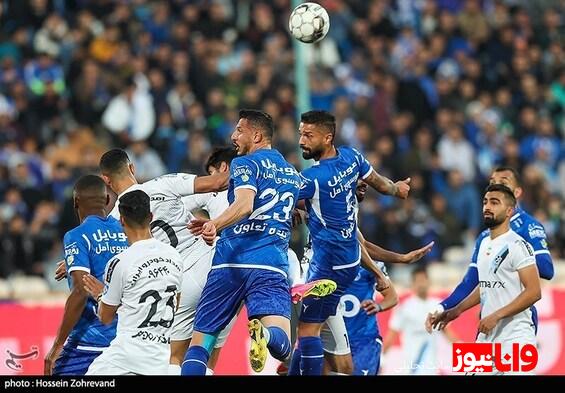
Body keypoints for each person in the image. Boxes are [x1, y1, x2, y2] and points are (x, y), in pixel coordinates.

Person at [183, 109, 324, 375]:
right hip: (270, 264)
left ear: (256, 135)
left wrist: (215, 223)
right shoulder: (291, 173)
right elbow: (311, 205)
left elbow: (245, 203)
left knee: (200, 344)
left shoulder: (244, 163)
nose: (233, 136)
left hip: (230, 262)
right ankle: (266, 337)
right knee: (281, 343)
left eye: (239, 130)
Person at [289, 110, 410, 375]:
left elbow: (279, 201)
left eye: (308, 135)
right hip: (350, 262)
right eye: (301, 134)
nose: (302, 141)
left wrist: (292, 211)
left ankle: (287, 357)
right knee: (343, 365)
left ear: (327, 137)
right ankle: (293, 365)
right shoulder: (352, 158)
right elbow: (381, 184)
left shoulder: (312, 178)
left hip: (323, 266)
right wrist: (397, 189)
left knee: (307, 330)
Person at [98, 148, 229, 374]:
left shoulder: (114, 221)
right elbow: (218, 183)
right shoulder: (163, 183)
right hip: (214, 265)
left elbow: (109, 263)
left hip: (177, 282)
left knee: (174, 358)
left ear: (106, 180)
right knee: (207, 350)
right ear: (132, 167)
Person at [428, 184, 542, 375]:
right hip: (487, 337)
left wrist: (496, 315)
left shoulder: (518, 245)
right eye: (485, 202)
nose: (487, 207)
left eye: (494, 202)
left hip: (516, 338)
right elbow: (486, 285)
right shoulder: (484, 243)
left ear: (509, 211)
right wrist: (457, 310)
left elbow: (534, 292)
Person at [426, 166, 553, 331]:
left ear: (517, 192)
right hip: (486, 322)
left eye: (503, 182)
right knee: (471, 357)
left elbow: (547, 270)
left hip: (517, 325)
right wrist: (444, 308)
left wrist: (515, 257)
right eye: (492, 182)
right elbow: (472, 281)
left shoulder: (527, 228)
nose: (495, 186)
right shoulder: (484, 238)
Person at [83, 190, 183, 375]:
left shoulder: (119, 262)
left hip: (126, 357)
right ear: (151, 216)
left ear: (122, 220)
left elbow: (105, 317)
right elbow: (175, 302)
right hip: (160, 359)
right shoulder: (175, 256)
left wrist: (100, 295)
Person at [44, 175, 128, 376]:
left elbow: (81, 291)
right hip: (125, 342)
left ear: (75, 202)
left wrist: (57, 346)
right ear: (107, 200)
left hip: (88, 343)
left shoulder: (77, 235)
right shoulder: (127, 231)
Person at [382, 266, 458, 375]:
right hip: (412, 368)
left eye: (423, 280)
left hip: (432, 368)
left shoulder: (438, 305)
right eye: (417, 281)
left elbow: (449, 334)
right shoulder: (404, 308)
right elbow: (391, 336)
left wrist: (471, 357)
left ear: (429, 281)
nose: (421, 284)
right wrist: (381, 360)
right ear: (412, 284)